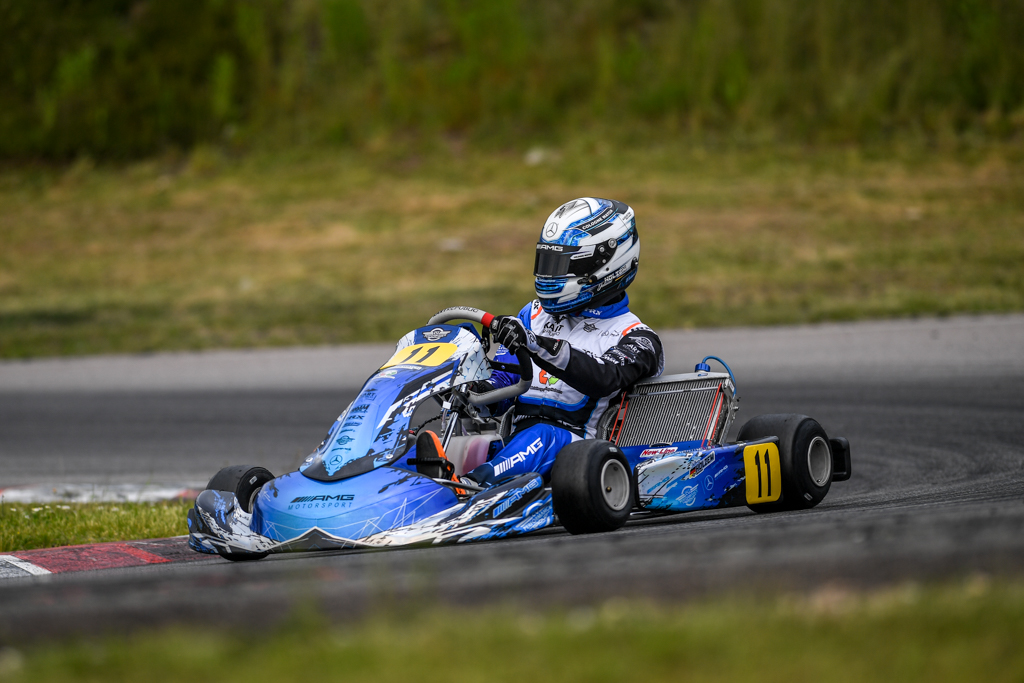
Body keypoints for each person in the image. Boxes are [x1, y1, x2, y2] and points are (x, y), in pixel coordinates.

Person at [416, 197, 664, 487]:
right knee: (460, 442)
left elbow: (602, 377)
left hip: (581, 456)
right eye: (549, 262)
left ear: (608, 265)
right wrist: (470, 384)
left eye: (565, 264)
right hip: (517, 443)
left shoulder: (637, 337)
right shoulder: (533, 315)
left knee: (543, 437)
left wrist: (533, 343)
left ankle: (468, 487)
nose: (552, 275)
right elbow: (506, 382)